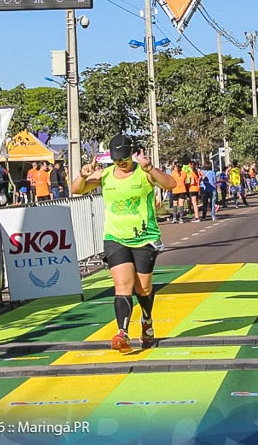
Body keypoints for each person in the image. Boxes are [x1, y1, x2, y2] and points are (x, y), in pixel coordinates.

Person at [71, 134, 176, 353]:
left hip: (144, 238)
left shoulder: (143, 174)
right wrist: (82, 175)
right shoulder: (106, 175)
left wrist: (150, 169)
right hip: (115, 238)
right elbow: (76, 189)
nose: (121, 163)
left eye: (125, 159)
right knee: (122, 286)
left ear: (132, 154)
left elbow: (171, 184)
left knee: (143, 288)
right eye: (117, 159)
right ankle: (123, 332)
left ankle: (146, 320)